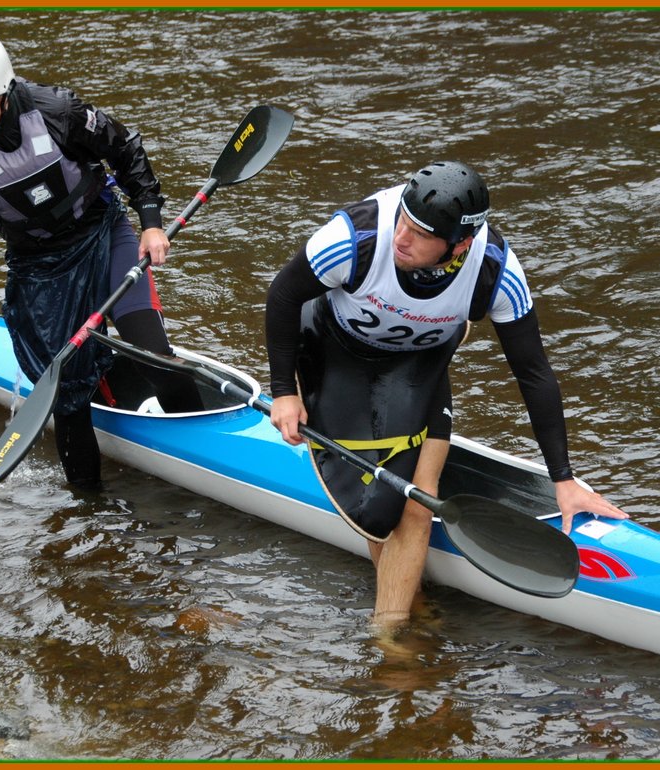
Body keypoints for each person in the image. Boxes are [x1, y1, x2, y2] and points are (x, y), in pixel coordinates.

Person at [265, 160, 628, 629]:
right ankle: (411, 608)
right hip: (335, 352)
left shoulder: (496, 271)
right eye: (404, 221)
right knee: (379, 508)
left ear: (460, 244)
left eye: (420, 234)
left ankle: (391, 637)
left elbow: (534, 373)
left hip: (418, 363)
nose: (402, 237)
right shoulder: (353, 237)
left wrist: (563, 479)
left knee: (418, 500)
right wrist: (283, 394)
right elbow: (282, 295)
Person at [0, 28, 200, 489]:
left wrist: (151, 221)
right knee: (68, 396)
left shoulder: (59, 111)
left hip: (103, 232)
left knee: (150, 349)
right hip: (39, 267)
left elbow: (126, 150)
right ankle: (89, 505)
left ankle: (203, 446)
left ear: (2, 89)